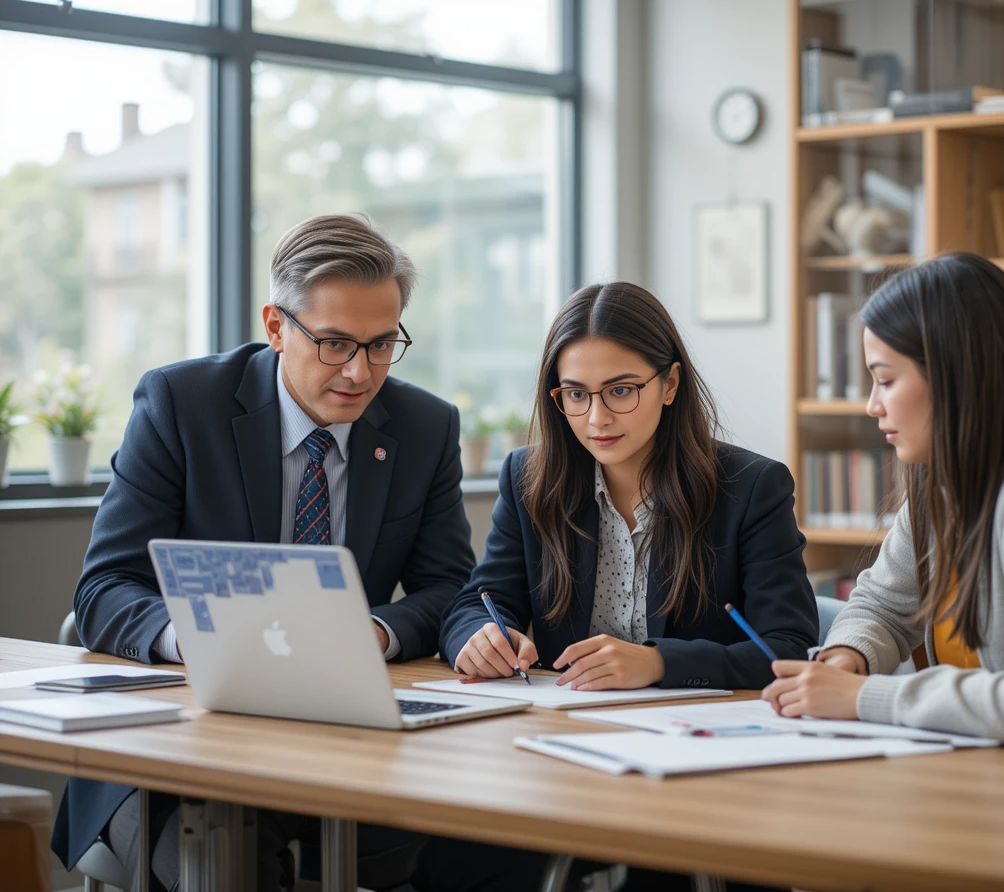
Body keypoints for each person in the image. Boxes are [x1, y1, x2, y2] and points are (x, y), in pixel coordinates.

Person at [51, 213, 476, 891]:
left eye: (382, 343)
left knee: (482, 842)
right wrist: (196, 636)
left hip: (351, 744)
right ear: (276, 327)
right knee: (221, 848)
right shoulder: (181, 404)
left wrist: (373, 631)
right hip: (185, 747)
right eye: (335, 343)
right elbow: (105, 588)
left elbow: (449, 588)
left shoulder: (423, 426)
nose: (360, 371)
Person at [433, 281, 816, 891]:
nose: (597, 417)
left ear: (669, 384)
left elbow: (787, 650)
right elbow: (480, 599)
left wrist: (658, 664)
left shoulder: (751, 488)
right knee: (453, 861)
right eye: (576, 395)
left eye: (620, 391)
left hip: (704, 769)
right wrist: (478, 635)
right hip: (566, 752)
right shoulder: (529, 478)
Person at [762, 252, 1004, 754]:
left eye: (885, 380)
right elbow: (881, 605)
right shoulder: (942, 487)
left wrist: (864, 696)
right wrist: (846, 658)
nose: (872, 405)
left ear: (953, 377)